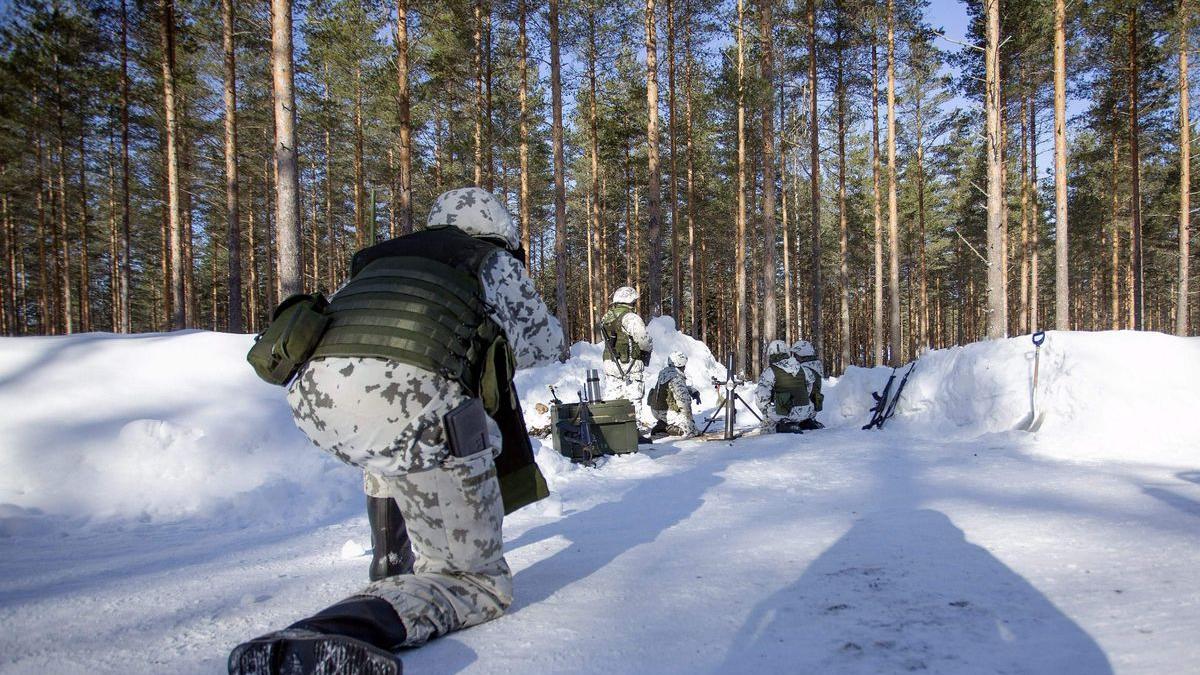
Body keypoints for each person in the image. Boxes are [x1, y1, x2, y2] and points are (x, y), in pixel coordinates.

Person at [229, 187, 564, 674]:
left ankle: (390, 564)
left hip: (315, 402)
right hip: (414, 409)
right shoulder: (490, 260)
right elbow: (544, 342)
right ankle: (330, 633)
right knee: (475, 582)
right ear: (498, 229)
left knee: (394, 434)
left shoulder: (380, 259)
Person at [599, 286, 653, 415]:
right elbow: (643, 341)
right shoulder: (631, 318)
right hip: (630, 363)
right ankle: (634, 429)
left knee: (613, 396)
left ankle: (613, 429)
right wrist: (648, 349)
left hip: (610, 362)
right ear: (630, 301)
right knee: (634, 397)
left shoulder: (606, 317)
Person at [755, 339, 824, 434]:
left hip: (785, 414)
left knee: (768, 419)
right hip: (807, 411)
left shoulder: (770, 371)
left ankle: (783, 425)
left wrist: (767, 409)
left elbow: (761, 397)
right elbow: (810, 387)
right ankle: (804, 422)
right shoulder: (802, 368)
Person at [647, 351, 701, 438]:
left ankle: (663, 422)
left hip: (656, 410)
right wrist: (689, 420)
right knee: (692, 431)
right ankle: (665, 427)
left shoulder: (665, 372)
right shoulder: (676, 377)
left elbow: (673, 389)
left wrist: (693, 391)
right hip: (667, 412)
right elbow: (684, 401)